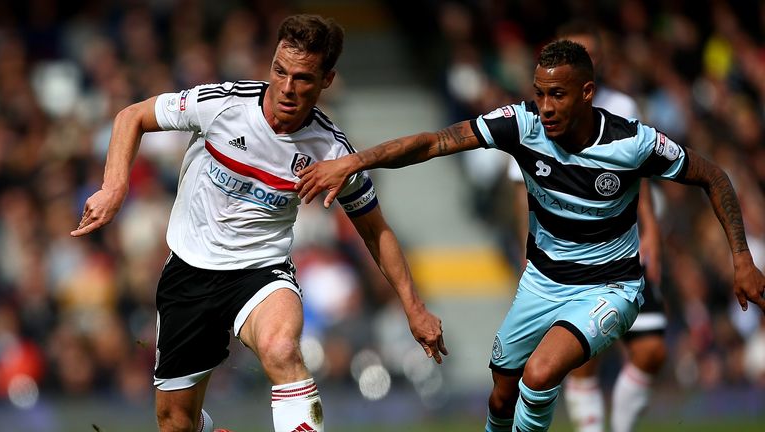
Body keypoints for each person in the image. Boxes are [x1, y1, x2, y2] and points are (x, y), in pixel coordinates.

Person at [296, 39, 765, 432]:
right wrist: (354, 161)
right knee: (501, 397)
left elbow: (713, 176)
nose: (545, 107)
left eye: (557, 95)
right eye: (539, 93)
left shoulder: (632, 142)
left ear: (587, 93)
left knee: (538, 376)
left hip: (610, 288)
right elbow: (434, 142)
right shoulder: (522, 126)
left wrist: (741, 258)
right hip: (541, 283)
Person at [71, 14, 447, 432]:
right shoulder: (222, 105)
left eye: (303, 78)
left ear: (327, 80)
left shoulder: (331, 150)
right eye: (279, 71)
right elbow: (131, 116)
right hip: (189, 271)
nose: (287, 88)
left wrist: (414, 309)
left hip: (260, 272)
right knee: (175, 422)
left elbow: (376, 231)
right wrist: (114, 187)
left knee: (281, 348)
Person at [539, 21, 666, 432]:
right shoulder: (543, 114)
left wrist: (651, 236)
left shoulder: (623, 107)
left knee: (651, 350)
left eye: (594, 54)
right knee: (586, 354)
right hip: (573, 250)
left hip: (626, 243)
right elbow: (520, 188)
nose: (589, 60)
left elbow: (638, 180)